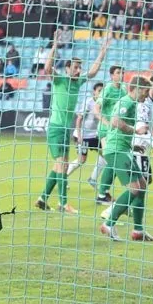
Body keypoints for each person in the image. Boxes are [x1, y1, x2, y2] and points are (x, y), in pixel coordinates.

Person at [35, 33, 110, 214]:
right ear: (67, 68)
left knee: (59, 166)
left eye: (79, 67)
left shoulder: (78, 82)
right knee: (63, 164)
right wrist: (54, 45)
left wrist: (102, 52)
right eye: (75, 67)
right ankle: (63, 203)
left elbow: (93, 72)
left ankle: (42, 199)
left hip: (65, 130)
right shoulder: (59, 80)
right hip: (56, 128)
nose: (78, 70)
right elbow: (47, 68)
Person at [99, 76, 153, 241]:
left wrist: (132, 146)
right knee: (134, 189)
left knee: (142, 186)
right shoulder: (126, 102)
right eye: (145, 91)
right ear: (137, 89)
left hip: (123, 148)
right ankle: (108, 223)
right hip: (116, 150)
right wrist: (136, 131)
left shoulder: (133, 104)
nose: (147, 95)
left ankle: (138, 231)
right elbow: (116, 122)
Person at [92, 65, 126, 204]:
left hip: (117, 131)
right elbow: (96, 109)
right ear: (112, 75)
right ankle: (102, 194)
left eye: (123, 72)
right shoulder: (107, 89)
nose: (121, 75)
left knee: (114, 161)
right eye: (118, 72)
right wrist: (106, 123)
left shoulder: (123, 89)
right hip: (105, 131)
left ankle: (104, 193)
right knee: (113, 160)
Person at [66, 82, 103, 177]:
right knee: (81, 160)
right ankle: (63, 177)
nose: (101, 93)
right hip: (83, 136)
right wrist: (79, 136)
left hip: (94, 136)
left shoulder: (104, 103)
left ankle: (93, 178)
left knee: (107, 155)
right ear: (94, 92)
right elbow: (79, 118)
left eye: (103, 91)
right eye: (99, 91)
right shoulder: (88, 102)